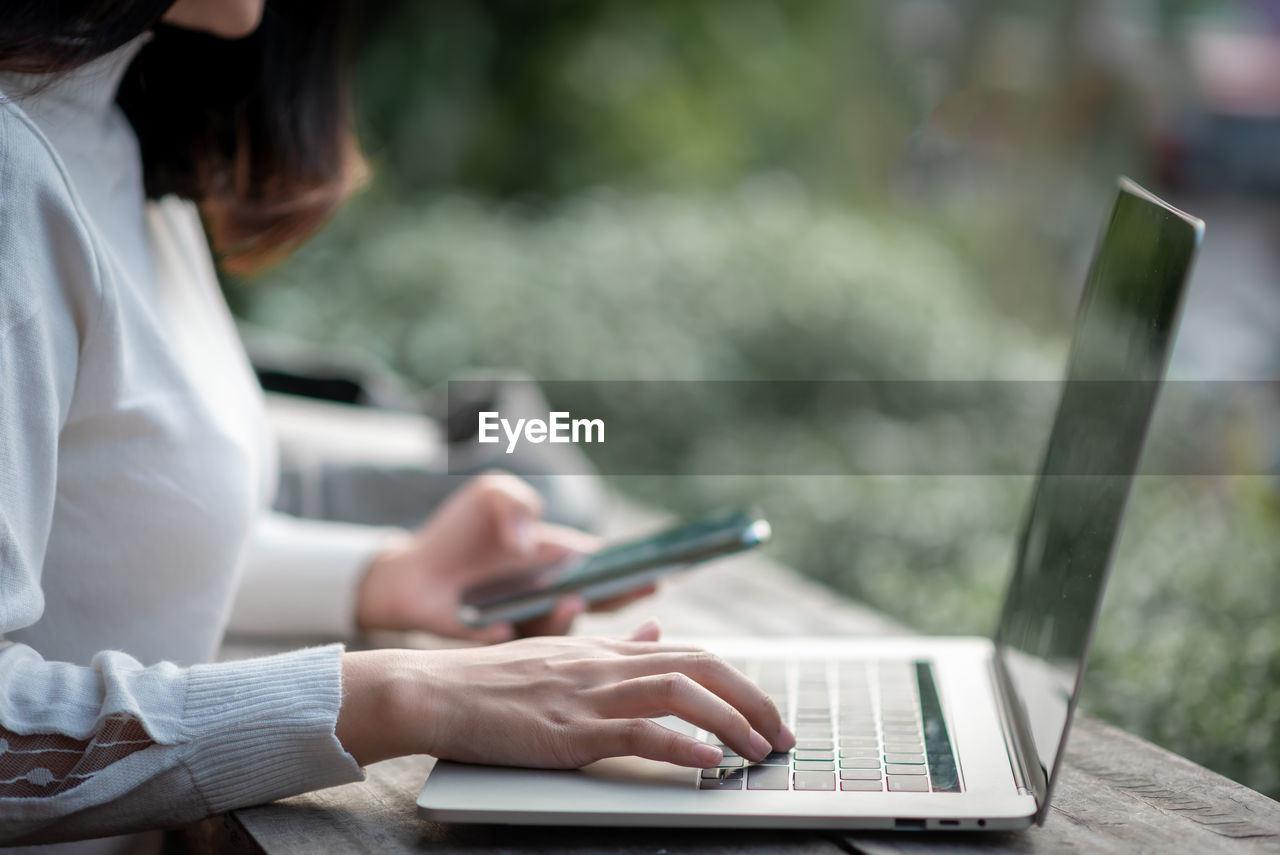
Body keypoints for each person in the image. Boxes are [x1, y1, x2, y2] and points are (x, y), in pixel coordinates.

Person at [0, 0, 794, 848]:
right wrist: (410, 693)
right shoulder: (14, 171)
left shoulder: (107, 136)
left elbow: (97, 530)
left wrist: (387, 575)